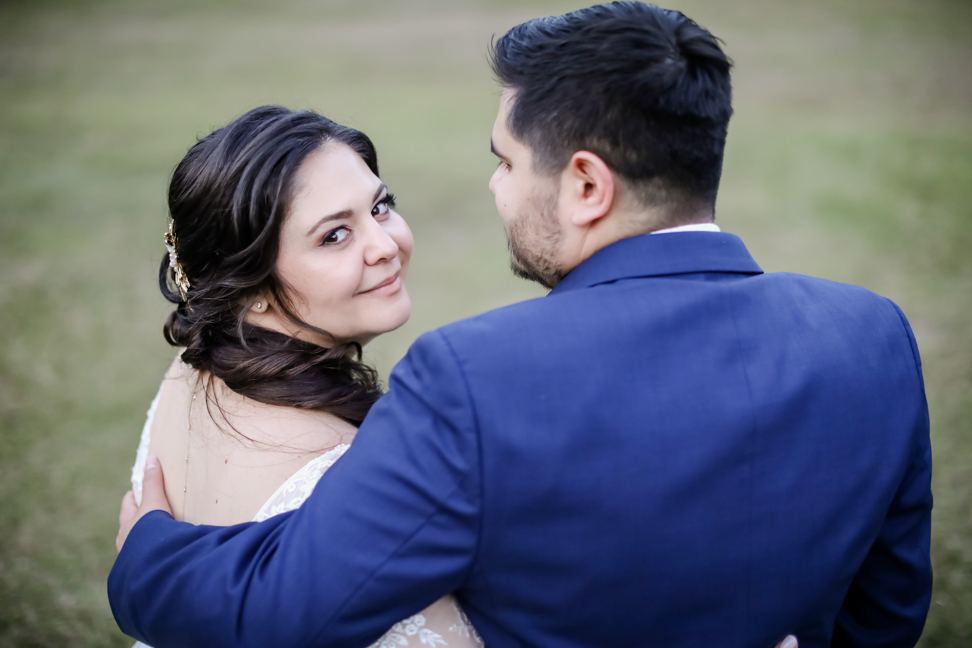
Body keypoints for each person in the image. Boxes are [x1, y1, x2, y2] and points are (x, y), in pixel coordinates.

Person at [110, 2, 932, 646]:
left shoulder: (475, 379)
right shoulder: (874, 335)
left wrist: (146, 552)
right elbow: (886, 610)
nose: (496, 190)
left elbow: (289, 613)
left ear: (585, 186)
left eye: (506, 161)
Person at [125, 105, 482, 647]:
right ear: (254, 292)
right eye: (334, 235)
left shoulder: (190, 372)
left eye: (380, 207)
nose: (386, 245)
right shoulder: (344, 474)